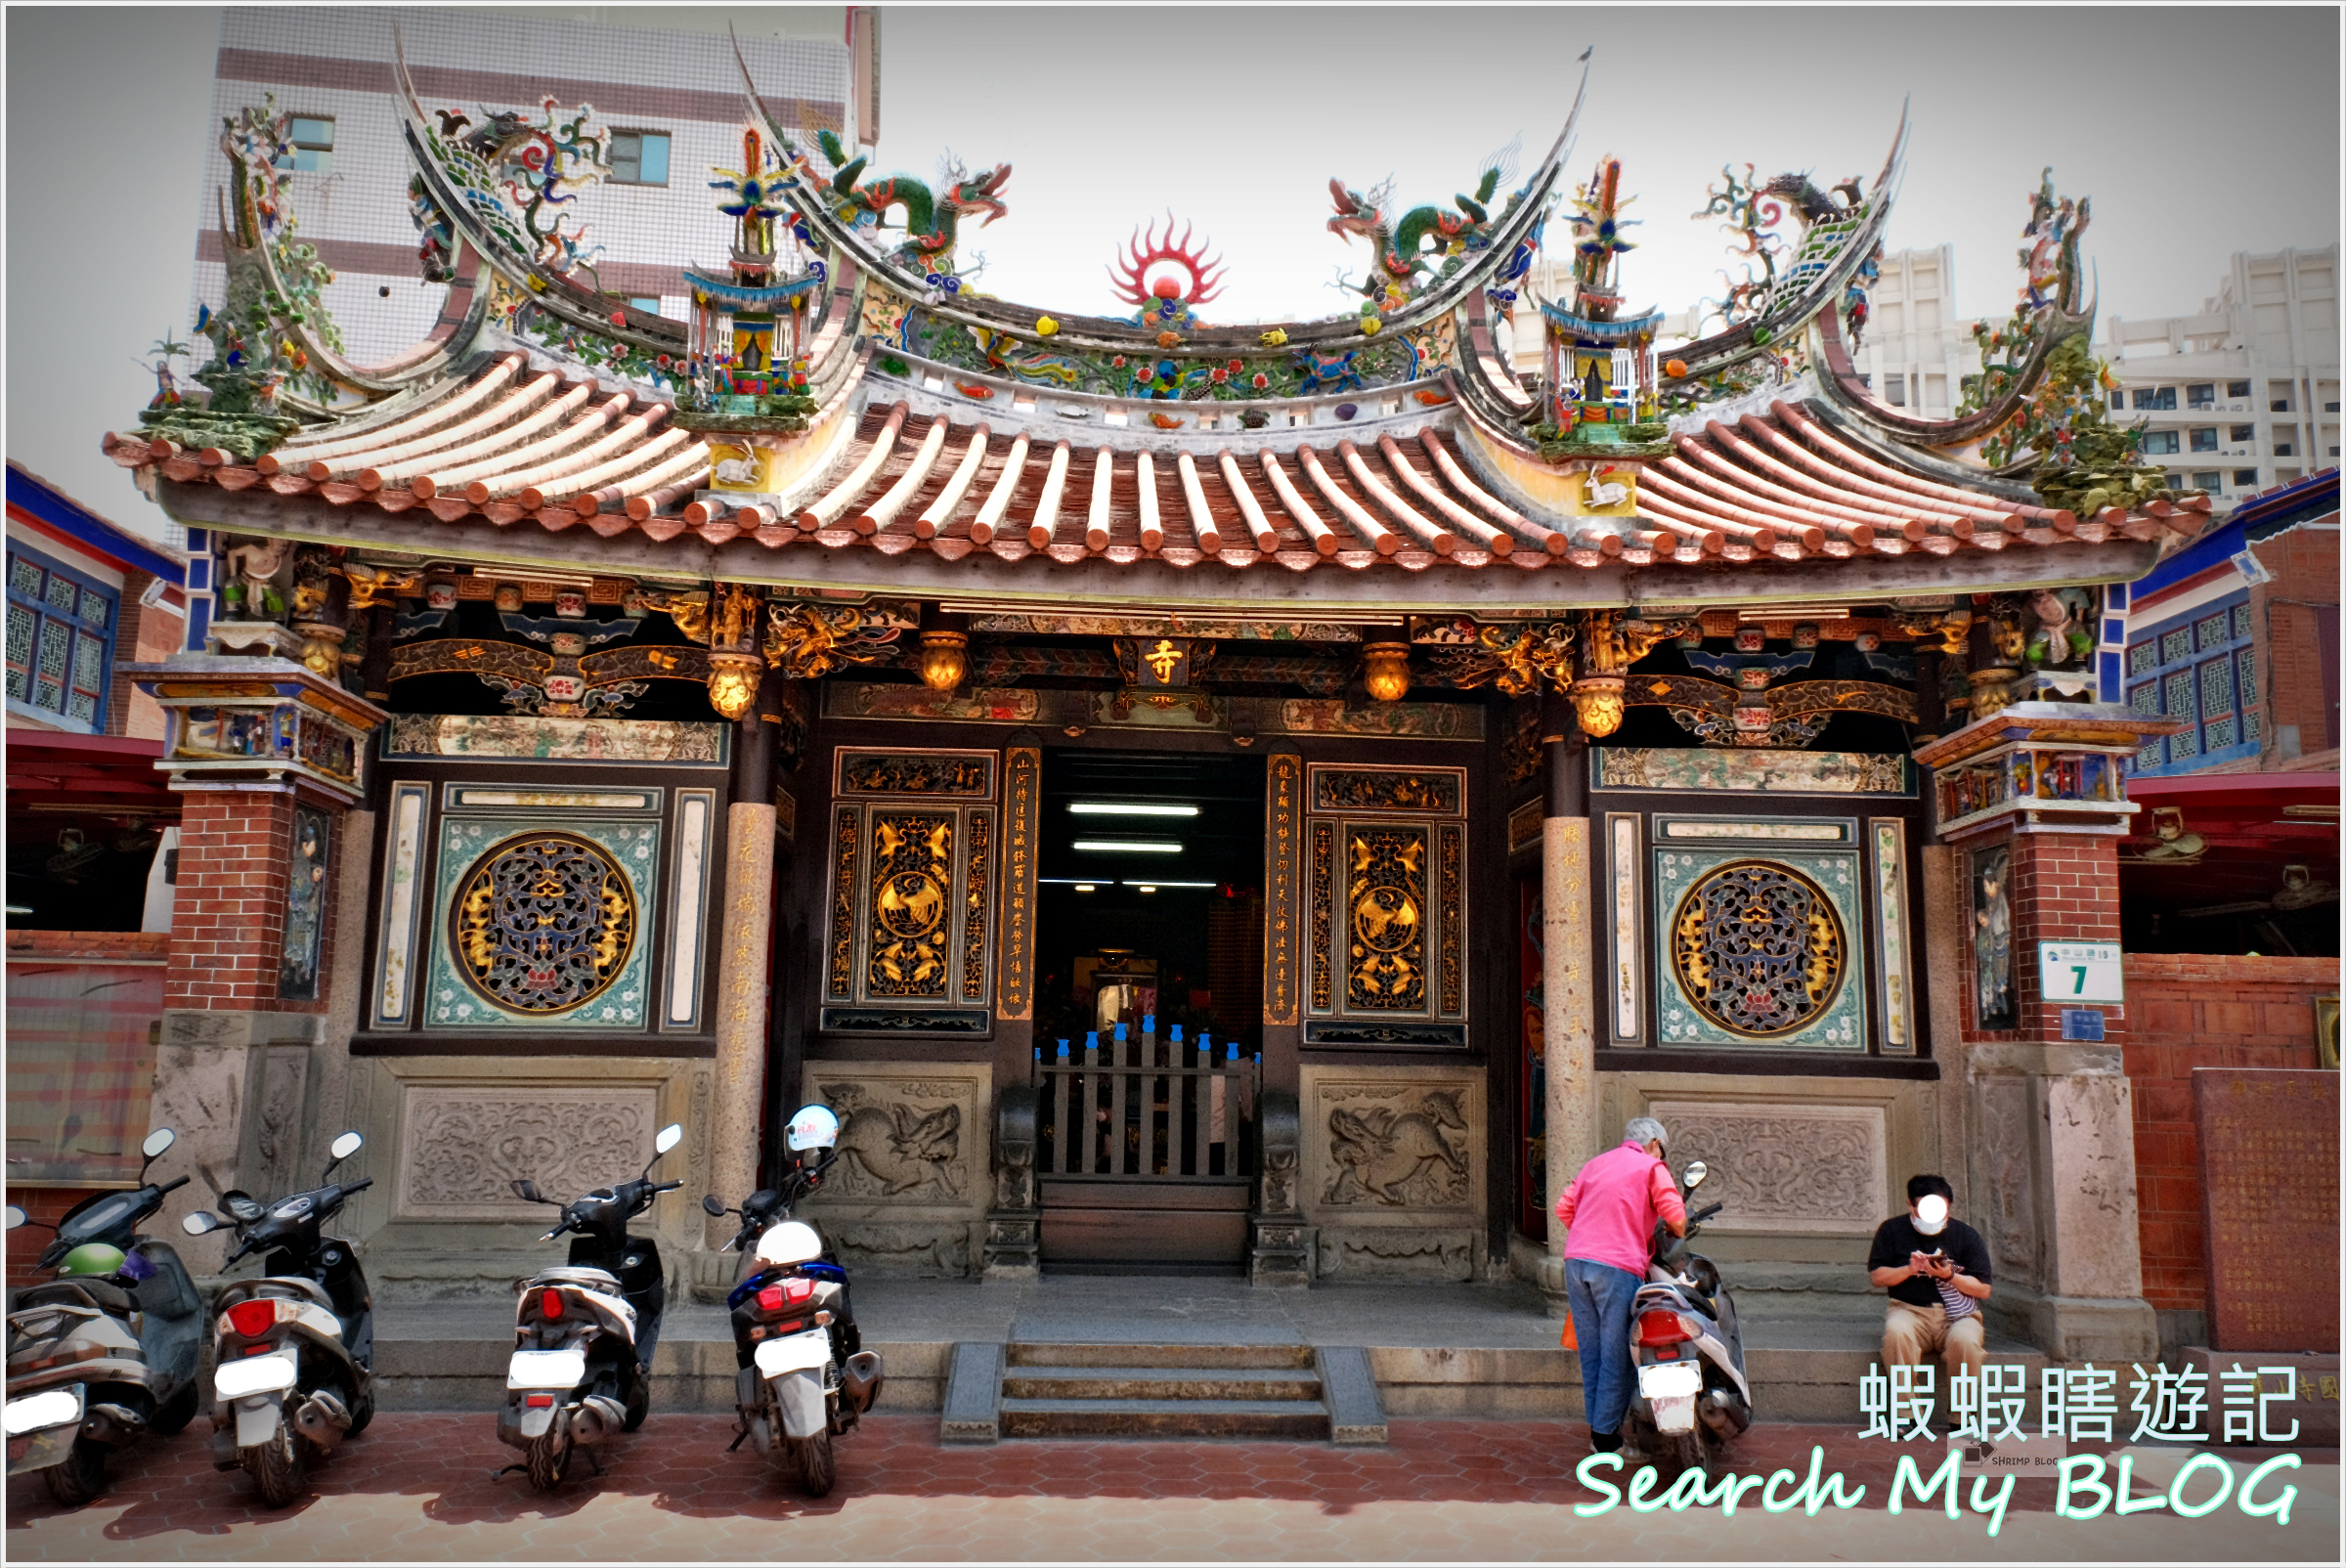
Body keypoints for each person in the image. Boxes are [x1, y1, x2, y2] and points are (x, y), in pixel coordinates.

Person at [1556, 1115, 1685, 1454]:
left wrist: (1591, 1232)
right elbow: (1676, 1218)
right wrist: (1673, 1230)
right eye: (1662, 1150)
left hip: (1577, 1263)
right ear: (1655, 1144)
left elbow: (1564, 1208)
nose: (1662, 1157)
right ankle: (1606, 1441)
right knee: (1618, 1354)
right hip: (1617, 1267)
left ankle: (1599, 1431)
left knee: (1593, 1352)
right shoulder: (1651, 1167)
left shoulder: (1595, 1164)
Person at [1867, 1174, 1992, 1428]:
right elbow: (1878, 1277)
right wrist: (1910, 1269)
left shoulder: (1966, 1235)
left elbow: (1983, 1290)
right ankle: (1907, 1415)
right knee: (1897, 1333)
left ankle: (1962, 1416)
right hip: (1909, 1310)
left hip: (1958, 1314)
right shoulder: (1892, 1230)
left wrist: (1948, 1274)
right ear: (1911, 1205)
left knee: (1966, 1340)